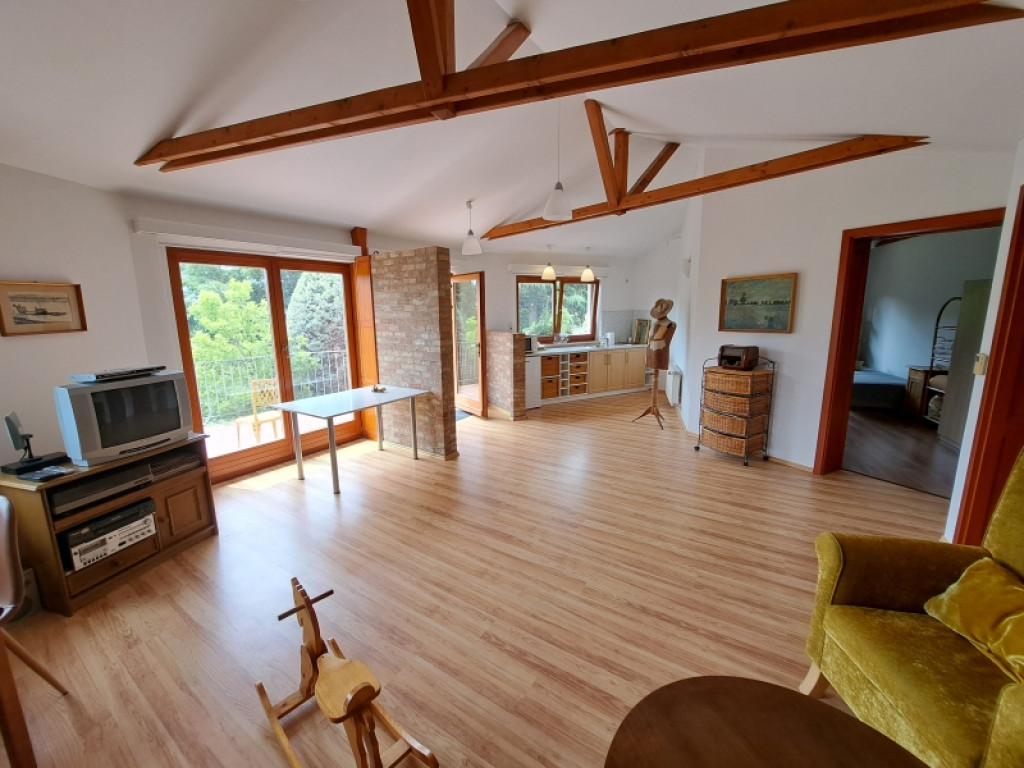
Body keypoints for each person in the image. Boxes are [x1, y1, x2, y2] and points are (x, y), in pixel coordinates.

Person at [646, 298, 676, 371]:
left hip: (660, 353)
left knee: (657, 373)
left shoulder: (671, 324)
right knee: (653, 373)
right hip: (650, 351)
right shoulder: (654, 323)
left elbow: (667, 341)